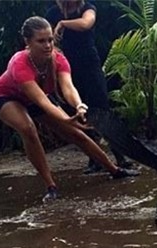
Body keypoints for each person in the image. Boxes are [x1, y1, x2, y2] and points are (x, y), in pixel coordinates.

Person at [0, 16, 138, 203]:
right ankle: (51, 186)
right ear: (27, 42)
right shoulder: (19, 63)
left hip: (37, 99)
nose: (48, 45)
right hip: (7, 97)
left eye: (50, 39)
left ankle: (115, 170)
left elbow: (68, 87)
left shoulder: (58, 59)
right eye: (41, 41)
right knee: (28, 128)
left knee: (76, 133)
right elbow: (41, 100)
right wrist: (65, 118)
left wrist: (79, 106)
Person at [45, 0, 133, 174]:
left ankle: (120, 156)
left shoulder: (88, 8)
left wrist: (63, 24)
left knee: (102, 110)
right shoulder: (53, 13)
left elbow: (86, 23)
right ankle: (95, 160)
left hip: (90, 65)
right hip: (67, 69)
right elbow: (46, 39)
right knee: (81, 113)